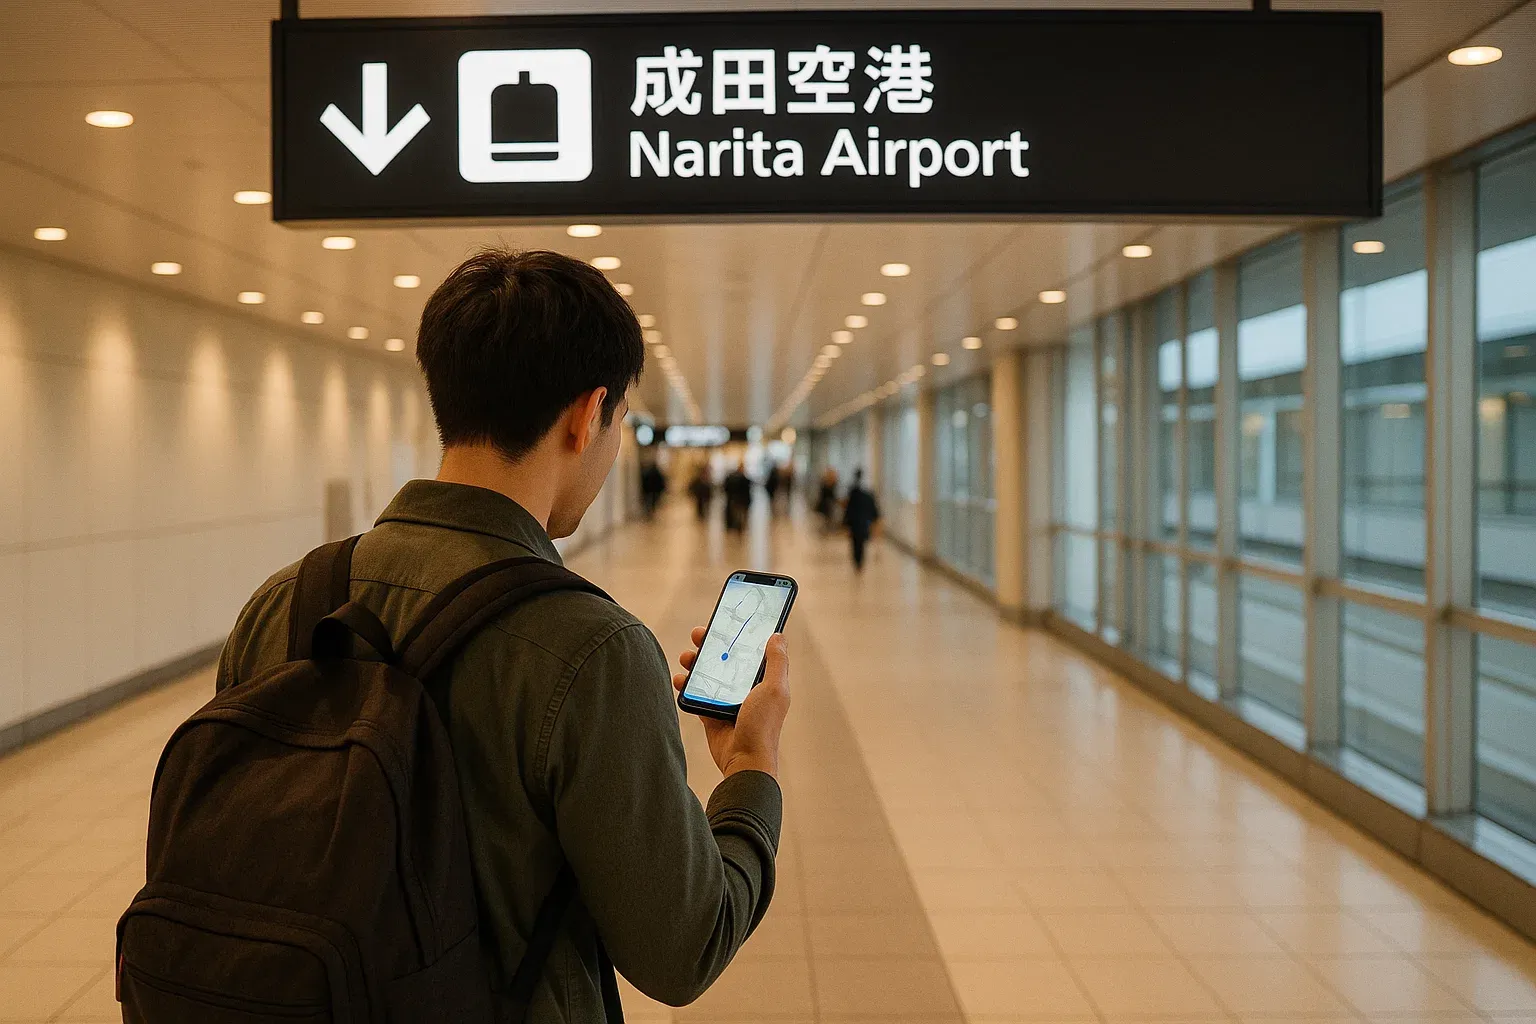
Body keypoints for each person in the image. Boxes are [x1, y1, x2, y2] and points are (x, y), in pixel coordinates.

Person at [216, 249, 791, 1021]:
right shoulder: (591, 648)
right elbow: (682, 947)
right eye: (620, 421)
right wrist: (752, 769)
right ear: (589, 415)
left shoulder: (282, 603)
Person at [842, 468, 881, 571]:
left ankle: (857, 560)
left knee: (856, 542)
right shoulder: (866, 492)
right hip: (863, 521)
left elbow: (849, 508)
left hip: (855, 521)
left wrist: (845, 521)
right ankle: (859, 561)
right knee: (860, 542)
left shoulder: (853, 491)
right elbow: (872, 507)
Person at [723, 461, 752, 532]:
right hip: (740, 500)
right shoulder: (742, 479)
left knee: (739, 513)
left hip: (738, 500)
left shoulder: (735, 478)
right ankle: (738, 526)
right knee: (739, 513)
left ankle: (738, 526)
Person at [814, 467, 840, 534]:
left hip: (829, 503)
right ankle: (826, 528)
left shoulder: (832, 483)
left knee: (828, 517)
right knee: (827, 517)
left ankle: (828, 528)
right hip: (826, 503)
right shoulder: (825, 483)